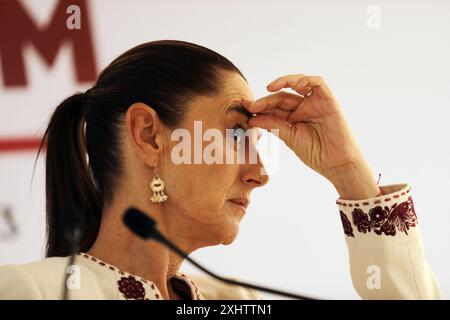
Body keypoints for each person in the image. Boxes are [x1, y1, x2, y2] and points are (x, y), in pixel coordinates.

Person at [0, 40, 442, 300]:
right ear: (150, 136)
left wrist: (350, 174)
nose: (259, 173)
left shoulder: (236, 301)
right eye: (234, 135)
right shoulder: (29, 292)